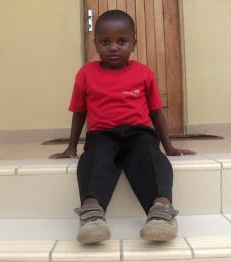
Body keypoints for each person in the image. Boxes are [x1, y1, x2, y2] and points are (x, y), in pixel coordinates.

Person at [50, 9, 195, 244]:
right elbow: (80, 111)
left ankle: (161, 211)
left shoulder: (144, 73)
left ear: (133, 43)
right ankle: (92, 213)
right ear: (95, 44)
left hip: (138, 133)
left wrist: (168, 147)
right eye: (106, 42)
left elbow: (156, 112)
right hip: (102, 134)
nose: (114, 47)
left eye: (122, 41)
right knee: (94, 158)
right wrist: (71, 146)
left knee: (150, 156)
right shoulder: (86, 74)